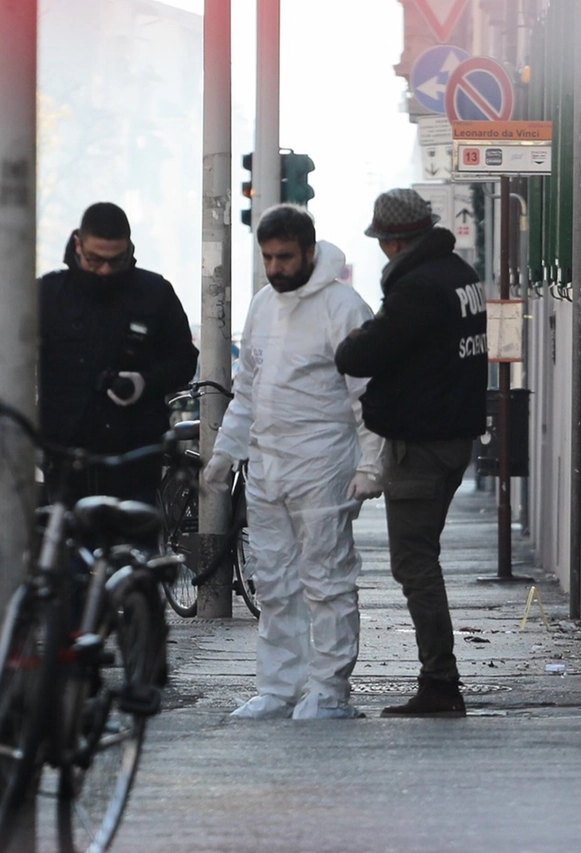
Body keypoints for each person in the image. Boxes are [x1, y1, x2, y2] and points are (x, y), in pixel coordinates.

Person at [204, 204, 383, 721]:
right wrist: (226, 453)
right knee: (275, 580)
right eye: (268, 258)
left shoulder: (343, 308)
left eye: (285, 257)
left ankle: (328, 689)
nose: (276, 267)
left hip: (323, 464)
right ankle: (279, 687)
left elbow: (368, 396)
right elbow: (248, 390)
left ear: (309, 251)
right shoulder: (263, 305)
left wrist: (372, 463)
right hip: (267, 464)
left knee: (326, 578)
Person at [333, 188, 488, 718]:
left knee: (414, 563)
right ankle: (439, 680)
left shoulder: (418, 287)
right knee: (421, 560)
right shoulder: (459, 276)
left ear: (394, 240)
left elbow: (363, 353)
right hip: (452, 437)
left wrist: (357, 338)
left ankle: (440, 683)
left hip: (422, 443)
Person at [38, 201, 198, 502]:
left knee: (134, 546)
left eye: (117, 260)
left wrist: (143, 383)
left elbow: (184, 361)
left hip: (134, 458)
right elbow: (13, 356)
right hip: (65, 457)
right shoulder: (48, 295)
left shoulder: (155, 293)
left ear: (129, 249)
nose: (106, 271)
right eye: (95, 260)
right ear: (78, 245)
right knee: (65, 546)